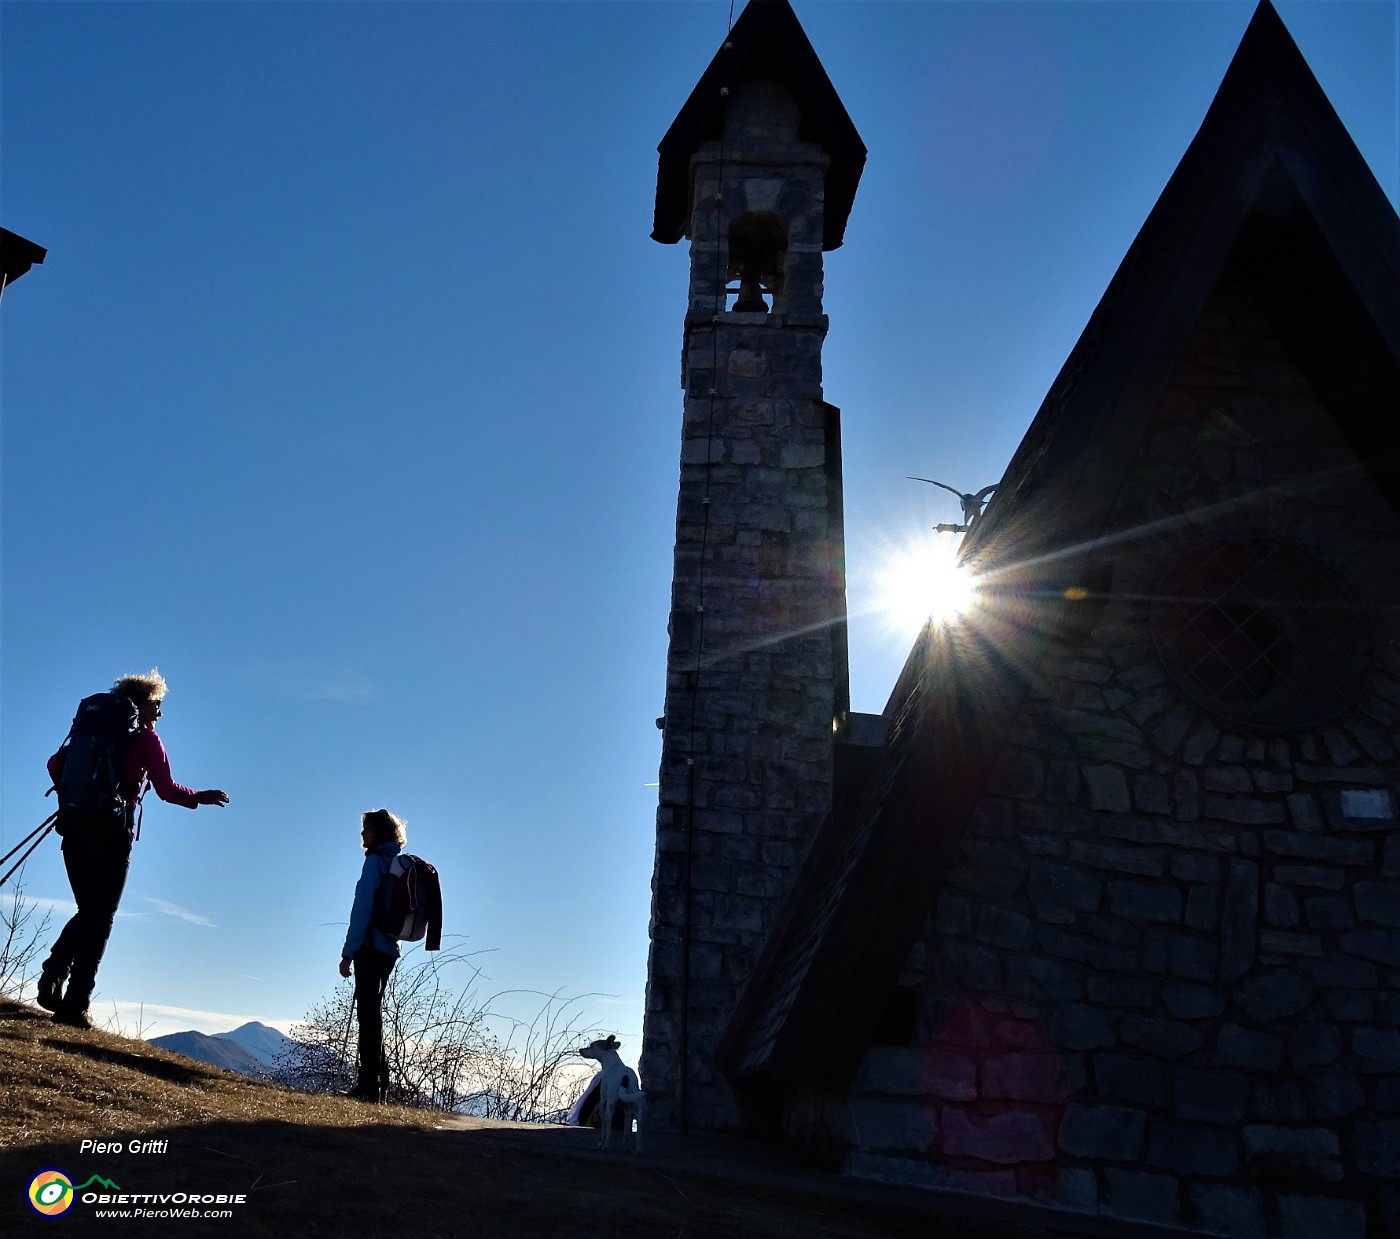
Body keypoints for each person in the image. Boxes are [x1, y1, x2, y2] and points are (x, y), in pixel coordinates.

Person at [38, 669, 229, 1029]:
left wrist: (81, 796)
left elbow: (55, 764)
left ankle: (55, 974)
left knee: (89, 911)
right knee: (101, 917)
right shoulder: (146, 740)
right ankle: (74, 1003)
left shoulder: (87, 733)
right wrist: (200, 798)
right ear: (142, 705)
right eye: (157, 705)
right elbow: (167, 789)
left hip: (74, 826)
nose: (160, 713)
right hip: (112, 833)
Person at [339, 808, 405, 1103]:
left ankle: (368, 1086)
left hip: (369, 947)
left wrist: (348, 953)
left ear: (378, 832)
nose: (362, 834)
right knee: (373, 1012)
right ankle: (379, 1083)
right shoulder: (397, 862)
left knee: (368, 1014)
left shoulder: (374, 863)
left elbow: (362, 909)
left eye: (366, 829)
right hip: (389, 949)